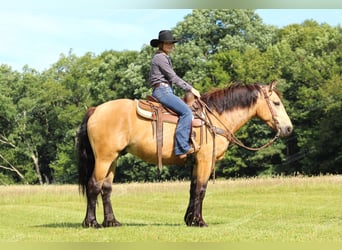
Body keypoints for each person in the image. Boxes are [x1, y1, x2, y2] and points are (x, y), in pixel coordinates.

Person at [149, 30, 201, 158]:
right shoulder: (160, 57)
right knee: (187, 112)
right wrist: (190, 89)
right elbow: (172, 77)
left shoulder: (163, 57)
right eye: (167, 43)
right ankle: (181, 147)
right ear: (160, 44)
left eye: (171, 43)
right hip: (163, 91)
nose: (170, 45)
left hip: (165, 90)